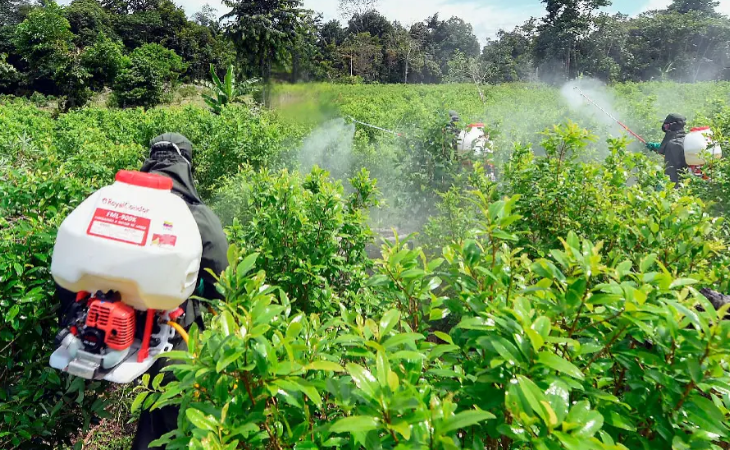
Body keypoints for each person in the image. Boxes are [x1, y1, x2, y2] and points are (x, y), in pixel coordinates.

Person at [55, 133, 229, 449]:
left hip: (96, 328)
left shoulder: (111, 200)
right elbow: (219, 274)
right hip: (167, 335)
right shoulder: (195, 216)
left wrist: (72, 313)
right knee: (167, 415)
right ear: (187, 166)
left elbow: (69, 261)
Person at [645, 113, 688, 184]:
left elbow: (672, 170)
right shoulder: (685, 139)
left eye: (666, 126)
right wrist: (656, 147)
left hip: (677, 185)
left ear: (673, 126)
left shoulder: (673, 144)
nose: (665, 129)